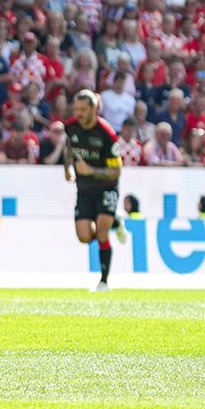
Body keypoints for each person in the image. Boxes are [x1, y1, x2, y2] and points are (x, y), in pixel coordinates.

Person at [64, 90, 124, 292]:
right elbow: (68, 147)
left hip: (106, 188)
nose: (78, 113)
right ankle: (115, 220)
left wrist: (91, 170)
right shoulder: (71, 126)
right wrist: (68, 169)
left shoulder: (107, 134)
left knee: (102, 230)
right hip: (84, 190)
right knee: (84, 237)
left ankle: (104, 281)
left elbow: (116, 171)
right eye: (76, 109)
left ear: (94, 109)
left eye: (82, 109)